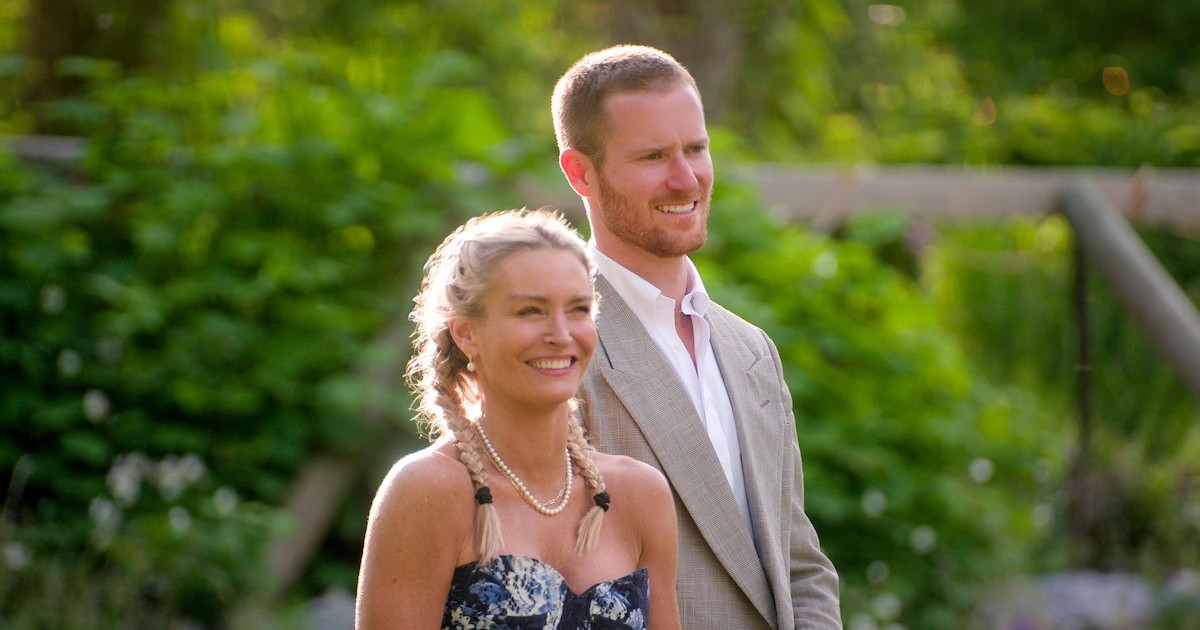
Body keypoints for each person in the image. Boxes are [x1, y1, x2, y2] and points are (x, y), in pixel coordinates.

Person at [552, 45, 843, 629]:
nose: (686, 179)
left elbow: (800, 568)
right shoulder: (557, 353)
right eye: (653, 156)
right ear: (581, 172)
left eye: (696, 149)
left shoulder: (751, 350)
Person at [355, 208, 681, 629]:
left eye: (579, 309)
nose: (561, 334)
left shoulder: (640, 494)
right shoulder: (428, 489)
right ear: (466, 333)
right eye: (530, 311)